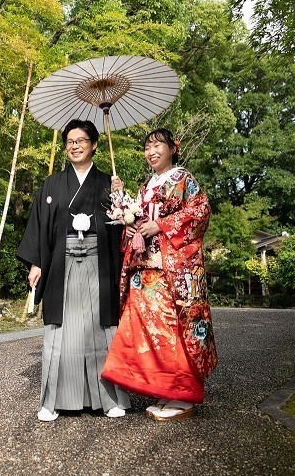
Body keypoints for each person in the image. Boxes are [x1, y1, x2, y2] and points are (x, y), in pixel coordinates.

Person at [17, 119, 131, 422]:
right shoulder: (52, 184)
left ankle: (108, 401)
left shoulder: (108, 182)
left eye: (81, 140)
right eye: (70, 141)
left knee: (99, 330)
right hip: (60, 262)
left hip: (98, 262)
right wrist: (37, 263)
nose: (75, 146)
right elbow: (40, 227)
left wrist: (120, 198)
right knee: (61, 330)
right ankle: (52, 402)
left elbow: (125, 225)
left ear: (94, 145)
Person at [101, 128, 217, 421]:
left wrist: (162, 225)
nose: (151, 152)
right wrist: (126, 217)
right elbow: (136, 225)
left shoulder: (184, 179)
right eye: (147, 147)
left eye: (157, 146)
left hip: (172, 271)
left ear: (172, 149)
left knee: (173, 330)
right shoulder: (144, 187)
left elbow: (200, 213)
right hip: (145, 269)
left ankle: (185, 395)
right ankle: (166, 390)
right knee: (147, 332)